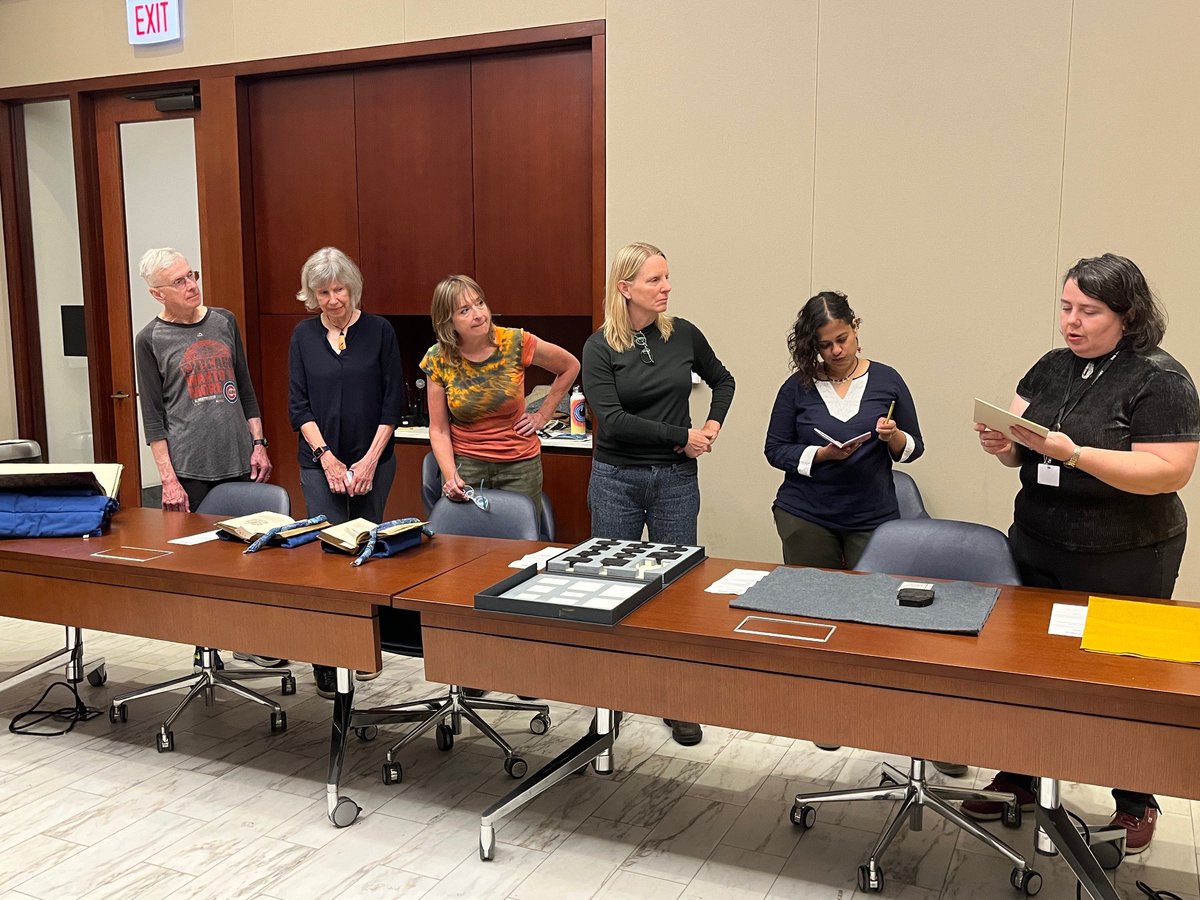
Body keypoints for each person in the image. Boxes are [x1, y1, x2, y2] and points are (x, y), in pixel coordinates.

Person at [969, 253, 1199, 855]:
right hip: (1040, 540)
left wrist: (1076, 454)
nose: (1072, 321)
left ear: (1128, 315)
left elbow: (1169, 471)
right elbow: (1022, 443)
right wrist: (1003, 445)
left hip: (1126, 551)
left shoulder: (1159, 378)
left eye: (1089, 311)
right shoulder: (1051, 367)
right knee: (1029, 666)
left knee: (1123, 677)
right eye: (1067, 307)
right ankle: (1019, 774)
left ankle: (1134, 799)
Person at [582, 241, 735, 747]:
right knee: (612, 586)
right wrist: (681, 436)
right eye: (654, 280)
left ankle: (677, 700)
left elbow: (724, 381)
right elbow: (616, 422)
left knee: (677, 592)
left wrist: (710, 427)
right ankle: (610, 697)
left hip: (674, 481)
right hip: (616, 480)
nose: (666, 287)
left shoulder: (683, 333)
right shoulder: (600, 346)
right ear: (625, 289)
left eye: (667, 277)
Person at [136, 247, 283, 670]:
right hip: (190, 469)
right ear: (157, 293)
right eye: (179, 281)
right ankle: (209, 646)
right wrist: (167, 478)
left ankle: (249, 638)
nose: (192, 285)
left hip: (239, 459)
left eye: (192, 275)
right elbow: (153, 417)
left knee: (250, 558)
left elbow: (247, 387)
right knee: (203, 566)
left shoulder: (223, 320)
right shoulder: (149, 340)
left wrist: (259, 442)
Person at [288, 247, 407, 697]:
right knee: (329, 561)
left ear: (352, 288)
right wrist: (329, 459)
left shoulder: (379, 331)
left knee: (366, 555)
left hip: (374, 459)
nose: (333, 299)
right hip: (321, 463)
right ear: (311, 294)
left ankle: (363, 650)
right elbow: (298, 405)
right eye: (323, 292)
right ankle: (326, 658)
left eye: (339, 289)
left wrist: (370, 459)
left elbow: (392, 401)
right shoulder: (302, 335)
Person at [765, 291, 924, 569]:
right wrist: (821, 455)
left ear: (855, 327)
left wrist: (893, 436)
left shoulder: (888, 380)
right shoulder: (797, 387)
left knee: (870, 600)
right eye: (825, 345)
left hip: (872, 517)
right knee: (812, 600)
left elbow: (914, 448)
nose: (836, 351)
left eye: (842, 339)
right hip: (805, 514)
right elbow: (775, 450)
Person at [420, 275, 579, 521]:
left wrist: (542, 415)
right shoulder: (438, 358)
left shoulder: (515, 342)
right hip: (467, 464)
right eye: (465, 310)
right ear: (448, 322)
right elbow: (438, 429)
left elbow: (570, 366)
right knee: (465, 547)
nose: (478, 314)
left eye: (480, 303)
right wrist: (451, 476)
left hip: (519, 464)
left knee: (519, 550)